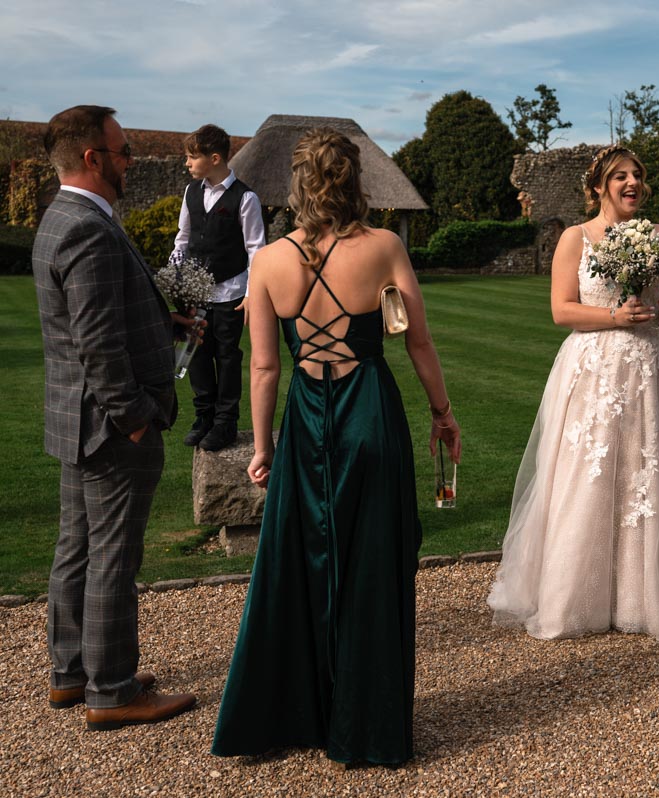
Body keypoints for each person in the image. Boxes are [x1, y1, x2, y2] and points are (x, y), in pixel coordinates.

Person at [210, 129, 460, 765]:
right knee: (375, 563)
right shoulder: (383, 247)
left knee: (299, 565)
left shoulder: (266, 262)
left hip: (305, 420)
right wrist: (442, 412)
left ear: (296, 184)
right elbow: (418, 342)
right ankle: (367, 728)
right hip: (369, 414)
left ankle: (293, 716)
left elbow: (264, 369)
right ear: (356, 181)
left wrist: (262, 447)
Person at [487, 145, 659, 641]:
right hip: (597, 371)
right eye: (620, 176)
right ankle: (579, 596)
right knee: (592, 473)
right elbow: (562, 311)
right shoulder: (575, 238)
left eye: (638, 176)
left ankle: (647, 593)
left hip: (656, 366)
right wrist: (613, 317)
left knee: (653, 471)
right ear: (599, 186)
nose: (632, 183)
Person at [33, 105, 197, 730]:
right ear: (93, 158)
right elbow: (98, 344)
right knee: (112, 556)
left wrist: (166, 321)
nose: (132, 161)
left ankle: (70, 674)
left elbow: (97, 322)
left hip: (76, 420)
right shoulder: (88, 229)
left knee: (76, 546)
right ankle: (112, 690)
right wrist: (133, 416)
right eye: (124, 150)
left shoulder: (64, 218)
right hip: (108, 425)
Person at [173, 123, 267, 452]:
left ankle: (225, 423)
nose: (187, 163)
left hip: (231, 292)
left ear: (214, 158)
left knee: (228, 358)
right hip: (195, 291)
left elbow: (256, 249)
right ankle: (204, 417)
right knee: (195, 355)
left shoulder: (246, 198)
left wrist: (253, 293)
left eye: (192, 157)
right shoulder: (191, 192)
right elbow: (182, 239)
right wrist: (175, 276)